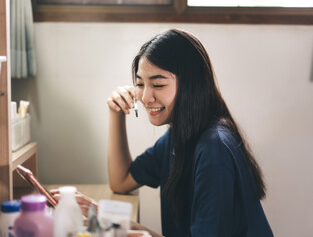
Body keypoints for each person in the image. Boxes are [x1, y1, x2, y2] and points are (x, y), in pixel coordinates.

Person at [56, 29, 273, 237]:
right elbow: (121, 181)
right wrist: (116, 113)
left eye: (158, 85)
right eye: (140, 84)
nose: (145, 97)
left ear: (191, 85)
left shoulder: (213, 149)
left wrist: (126, 228)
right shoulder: (177, 137)